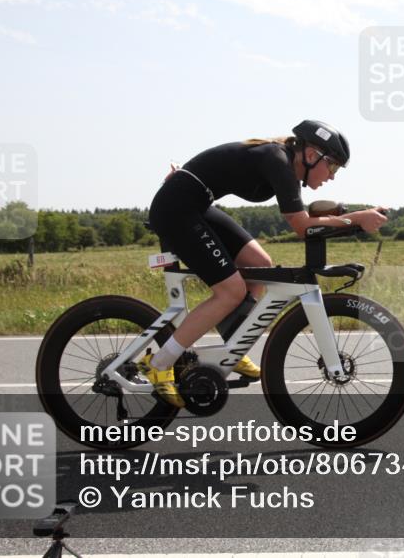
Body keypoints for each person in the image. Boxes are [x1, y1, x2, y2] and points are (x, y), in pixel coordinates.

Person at [142, 120, 387, 406]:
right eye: (332, 166)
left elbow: (307, 220)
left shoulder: (284, 162)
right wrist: (356, 219)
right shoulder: (277, 161)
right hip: (176, 209)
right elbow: (302, 227)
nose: (332, 176)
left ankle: (232, 348)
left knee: (259, 263)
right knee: (230, 291)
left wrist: (353, 218)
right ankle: (159, 364)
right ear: (311, 155)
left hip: (195, 204)